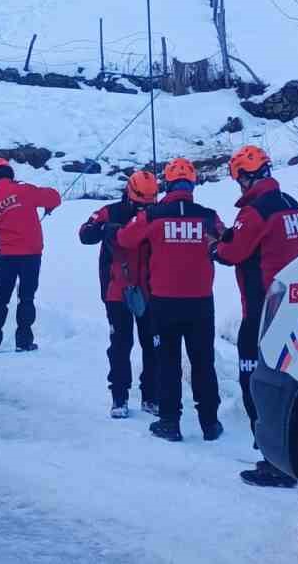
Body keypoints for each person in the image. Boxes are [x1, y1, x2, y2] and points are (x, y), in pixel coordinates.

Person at [214, 146, 298, 489]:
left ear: (246, 176)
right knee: (289, 380)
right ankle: (294, 450)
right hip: (294, 306)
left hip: (261, 309)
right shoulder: (293, 206)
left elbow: (232, 252)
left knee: (255, 381)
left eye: (239, 178)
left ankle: (273, 459)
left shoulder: (254, 212)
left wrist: (217, 247)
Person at [116, 158, 223, 443]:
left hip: (164, 302)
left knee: (168, 362)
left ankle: (169, 422)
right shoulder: (208, 216)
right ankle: (210, 423)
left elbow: (125, 240)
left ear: (167, 183)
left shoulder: (153, 216)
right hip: (201, 302)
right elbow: (225, 244)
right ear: (192, 184)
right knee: (203, 362)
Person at [78, 171, 159, 418]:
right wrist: (105, 230)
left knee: (153, 345)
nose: (143, 209)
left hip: (150, 289)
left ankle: (151, 396)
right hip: (117, 289)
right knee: (121, 345)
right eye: (139, 203)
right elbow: (85, 233)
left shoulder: (157, 213)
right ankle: (119, 396)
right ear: (129, 193)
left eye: (148, 204)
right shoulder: (110, 211)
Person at [0, 158, 61, 353]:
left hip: (7, 256)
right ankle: (24, 342)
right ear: (10, 173)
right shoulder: (25, 190)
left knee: (0, 298)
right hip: (31, 255)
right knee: (26, 298)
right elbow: (54, 197)